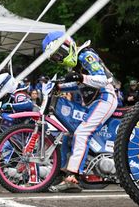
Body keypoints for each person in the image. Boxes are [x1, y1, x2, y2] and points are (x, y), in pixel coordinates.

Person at [42, 31, 118, 192]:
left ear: (67, 44)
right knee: (69, 134)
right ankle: (61, 172)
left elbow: (103, 79)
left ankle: (72, 177)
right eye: (55, 57)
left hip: (105, 97)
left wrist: (80, 77)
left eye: (59, 53)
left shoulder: (86, 55)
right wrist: (59, 86)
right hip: (94, 102)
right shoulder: (76, 62)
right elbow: (79, 85)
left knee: (81, 133)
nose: (60, 58)